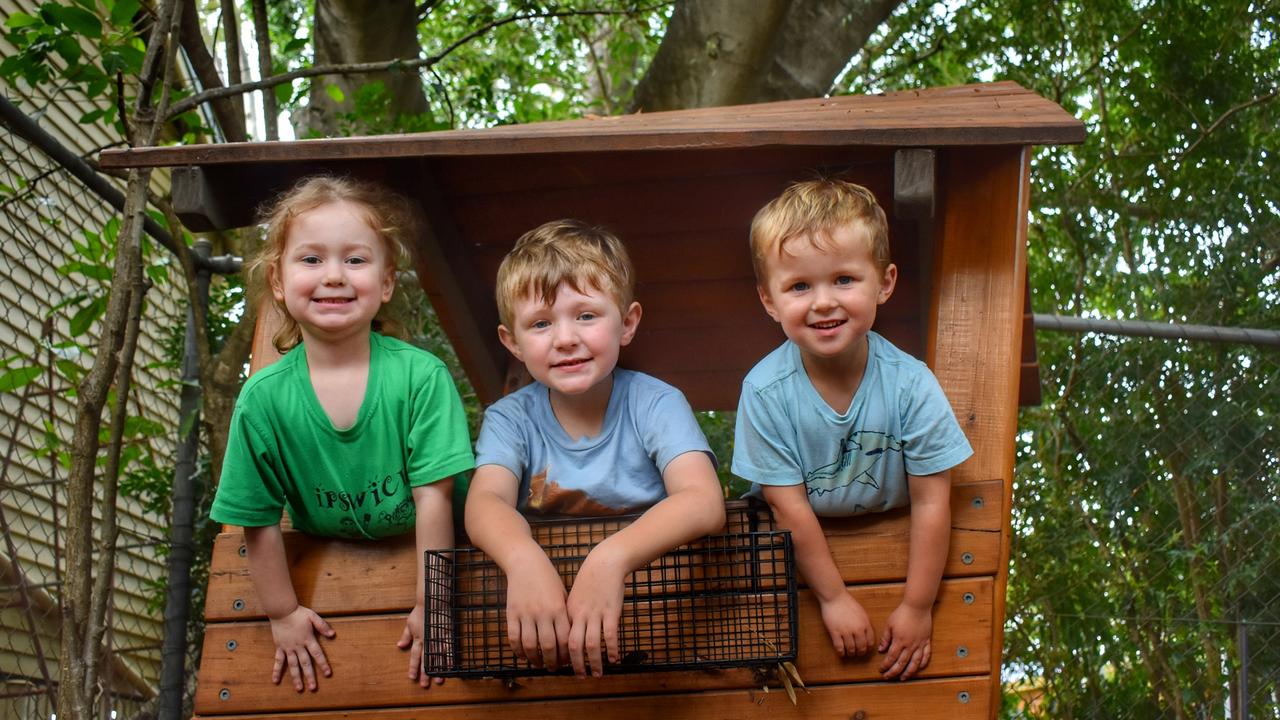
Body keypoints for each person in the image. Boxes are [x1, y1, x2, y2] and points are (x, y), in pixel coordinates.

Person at [210, 176, 474, 693]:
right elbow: (257, 520)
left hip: (437, 550)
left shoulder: (421, 377)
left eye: (355, 260)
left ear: (388, 281)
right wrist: (282, 614)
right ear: (279, 281)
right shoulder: (263, 399)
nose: (334, 276)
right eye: (311, 260)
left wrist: (432, 603)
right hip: (331, 564)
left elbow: (434, 500)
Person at [732, 178, 972, 681]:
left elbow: (933, 502)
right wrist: (834, 597)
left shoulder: (912, 385)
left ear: (883, 283)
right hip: (797, 570)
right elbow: (786, 506)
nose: (822, 302)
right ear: (769, 301)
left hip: (895, 561)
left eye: (844, 279)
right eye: (799, 286)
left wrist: (916, 607)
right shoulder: (764, 391)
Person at [465, 219, 725, 679]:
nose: (566, 338)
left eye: (586, 315)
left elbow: (704, 502)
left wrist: (610, 558)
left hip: (661, 624)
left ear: (627, 323)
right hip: (546, 640)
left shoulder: (655, 403)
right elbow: (485, 501)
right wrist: (522, 560)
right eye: (541, 323)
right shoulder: (510, 418)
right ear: (514, 343)